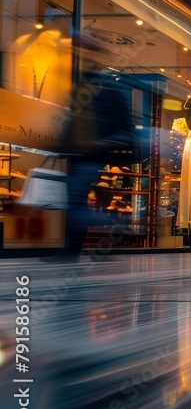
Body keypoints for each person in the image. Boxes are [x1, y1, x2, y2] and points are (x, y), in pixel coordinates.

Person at [44, 60, 136, 262]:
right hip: (78, 154)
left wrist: (103, 143)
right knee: (75, 202)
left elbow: (125, 127)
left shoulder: (110, 91)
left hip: (93, 154)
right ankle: (73, 249)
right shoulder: (79, 92)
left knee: (75, 203)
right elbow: (71, 121)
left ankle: (111, 220)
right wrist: (62, 145)